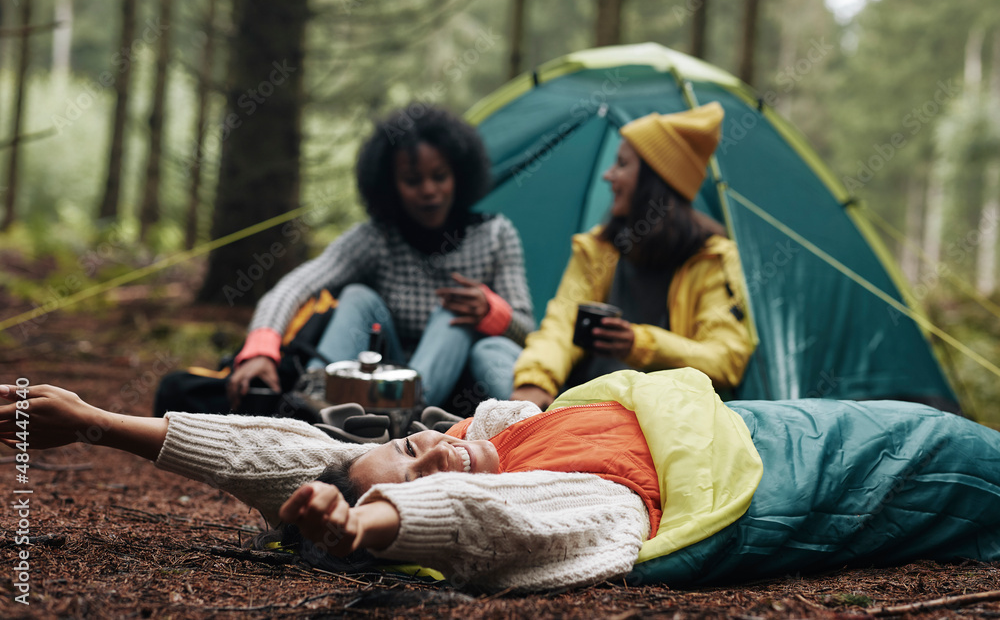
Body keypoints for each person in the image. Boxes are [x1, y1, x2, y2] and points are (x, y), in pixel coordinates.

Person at [7, 374, 1000, 592]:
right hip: (846, 471)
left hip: (822, 424)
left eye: (408, 448)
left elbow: (291, 443)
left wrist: (98, 422)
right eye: (409, 469)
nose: (425, 454)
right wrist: (367, 526)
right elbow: (487, 527)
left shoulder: (509, 427)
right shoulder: (595, 510)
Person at [226, 104, 533, 410]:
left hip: (453, 394)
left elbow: (528, 334)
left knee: (455, 311)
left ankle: (406, 410)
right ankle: (317, 398)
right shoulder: (377, 238)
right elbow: (296, 286)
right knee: (357, 296)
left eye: (439, 176)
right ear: (390, 185)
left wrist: (492, 311)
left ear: (459, 174)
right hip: (382, 385)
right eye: (413, 180)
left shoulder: (495, 235)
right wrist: (260, 350)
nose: (429, 190)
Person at [510, 102, 754, 409]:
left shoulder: (712, 259)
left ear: (655, 180)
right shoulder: (598, 248)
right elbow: (560, 324)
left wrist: (640, 345)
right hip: (579, 402)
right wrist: (534, 382)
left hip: (660, 415)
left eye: (622, 165)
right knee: (493, 354)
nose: (608, 176)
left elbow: (726, 359)